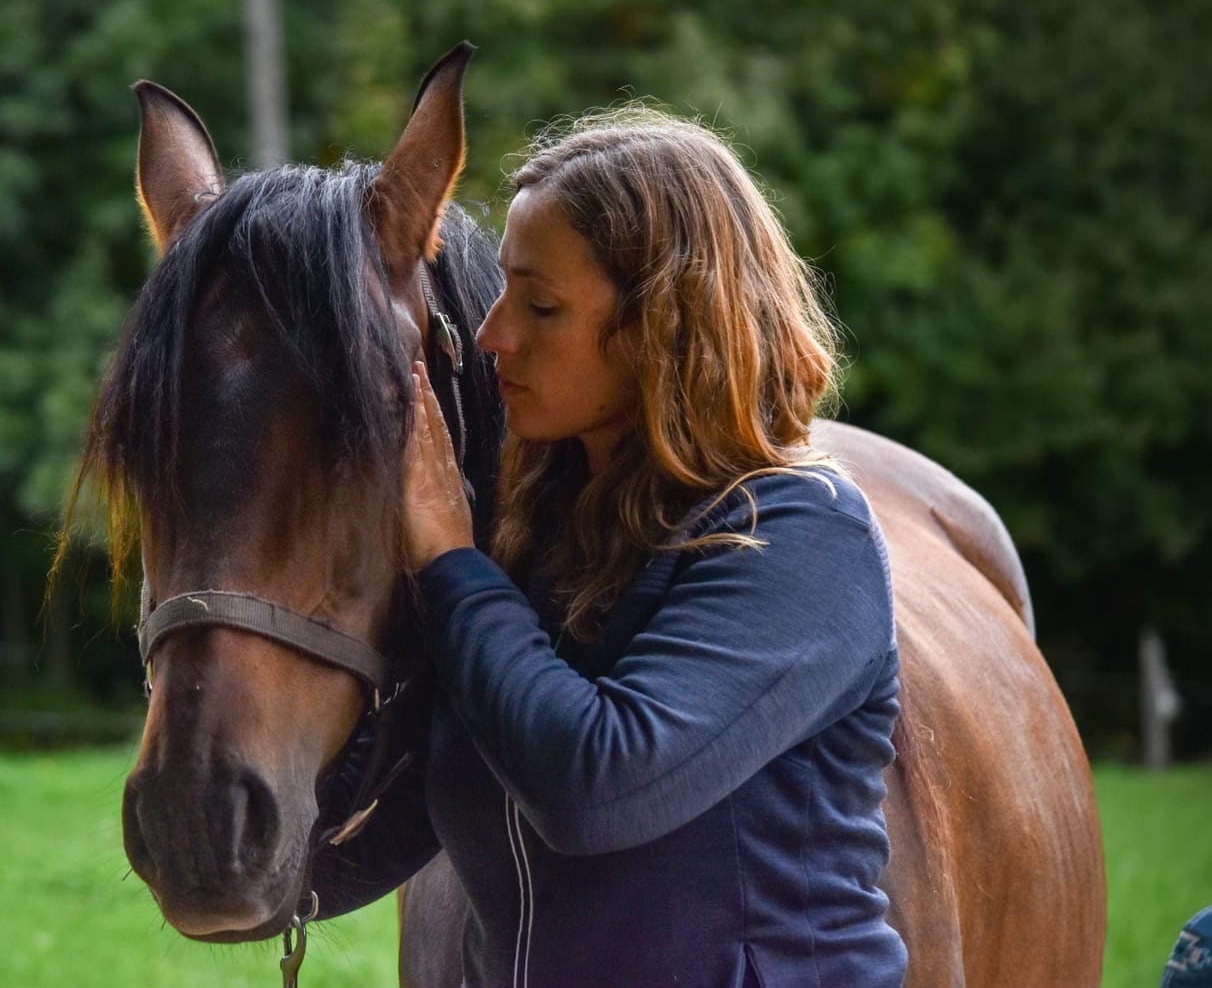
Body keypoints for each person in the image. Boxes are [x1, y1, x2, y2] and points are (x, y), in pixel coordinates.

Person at [316, 108, 907, 987]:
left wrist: (448, 559)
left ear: (666, 326)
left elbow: (595, 788)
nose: (492, 335)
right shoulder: (541, 529)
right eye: (505, 293)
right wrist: (249, 869)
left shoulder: (803, 535)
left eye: (541, 304)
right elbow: (442, 796)